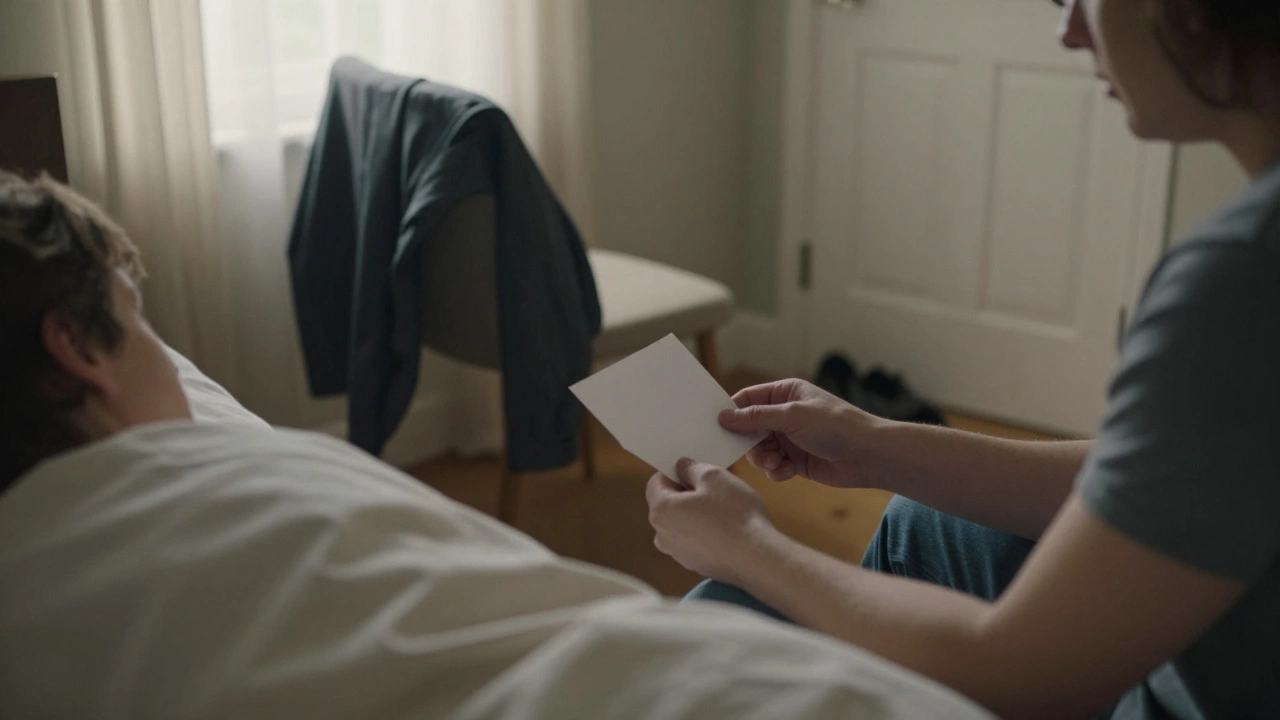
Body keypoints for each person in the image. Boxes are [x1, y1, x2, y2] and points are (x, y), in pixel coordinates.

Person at [0, 171, 996, 719]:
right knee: (745, 594)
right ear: (73, 352)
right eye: (136, 323)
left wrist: (849, 462)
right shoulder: (260, 475)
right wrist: (755, 545)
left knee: (754, 591)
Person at [646, 1, 1280, 718]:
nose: (1069, 30)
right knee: (928, 523)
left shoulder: (1242, 281)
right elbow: (1188, 478)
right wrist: (873, 445)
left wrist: (748, 547)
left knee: (726, 617)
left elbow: (1019, 673)